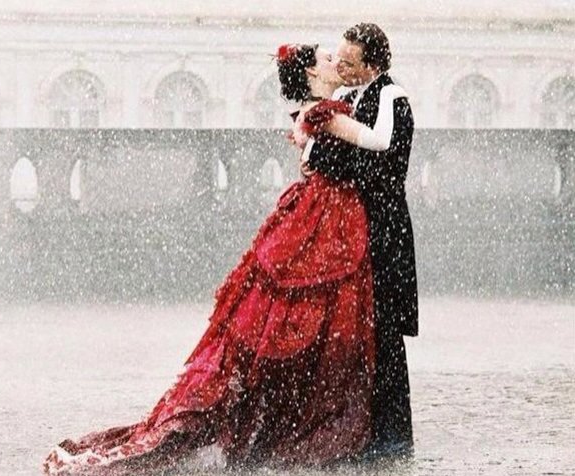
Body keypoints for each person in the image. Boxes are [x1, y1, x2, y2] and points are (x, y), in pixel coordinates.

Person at [42, 43, 407, 475]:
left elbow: (318, 149)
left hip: (322, 215)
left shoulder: (319, 109)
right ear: (311, 73)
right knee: (323, 309)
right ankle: (304, 413)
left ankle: (276, 409)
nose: (336, 62)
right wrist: (389, 102)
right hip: (327, 218)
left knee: (296, 307)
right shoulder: (327, 111)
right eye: (328, 59)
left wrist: (311, 147)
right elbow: (378, 142)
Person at [303, 23, 419, 459]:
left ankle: (392, 436)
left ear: (373, 65)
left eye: (349, 63)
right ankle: (361, 430)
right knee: (355, 332)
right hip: (354, 230)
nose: (341, 68)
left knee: (384, 334)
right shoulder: (350, 97)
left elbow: (380, 161)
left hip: (383, 230)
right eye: (339, 59)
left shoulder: (392, 99)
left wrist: (328, 153)